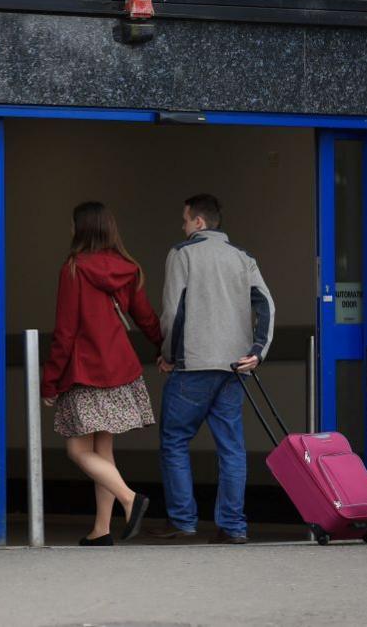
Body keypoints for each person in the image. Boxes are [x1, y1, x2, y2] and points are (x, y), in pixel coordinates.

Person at [151, 194, 275, 545]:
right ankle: (233, 526)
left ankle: (183, 520)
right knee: (231, 448)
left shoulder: (182, 253)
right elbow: (266, 304)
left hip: (193, 364)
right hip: (235, 367)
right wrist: (257, 352)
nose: (183, 225)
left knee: (174, 441)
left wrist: (168, 355)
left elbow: (173, 312)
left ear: (199, 223)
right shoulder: (243, 258)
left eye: (185, 219)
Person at [41, 201, 163, 546]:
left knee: (78, 452)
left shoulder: (75, 269)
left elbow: (65, 331)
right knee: (103, 451)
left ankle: (129, 498)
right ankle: (102, 530)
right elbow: (146, 317)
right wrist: (163, 348)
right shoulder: (129, 268)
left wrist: (49, 381)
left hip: (86, 370)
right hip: (120, 369)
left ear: (80, 229)